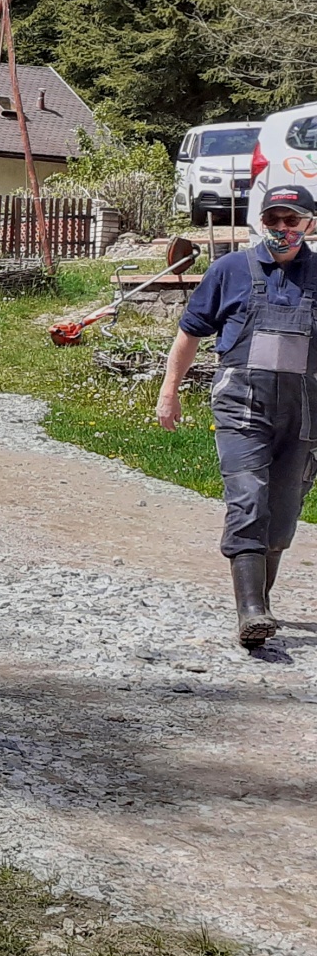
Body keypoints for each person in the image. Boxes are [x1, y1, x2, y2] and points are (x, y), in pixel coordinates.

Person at [158, 183, 317, 646]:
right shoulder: (230, 270)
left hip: (306, 413)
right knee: (248, 498)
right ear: (260, 223)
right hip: (241, 407)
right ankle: (250, 611)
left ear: (310, 224)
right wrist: (169, 392)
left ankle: (260, 602)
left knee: (282, 514)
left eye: (291, 220)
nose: (282, 228)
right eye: (273, 219)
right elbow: (189, 335)